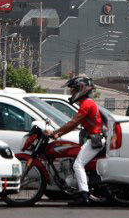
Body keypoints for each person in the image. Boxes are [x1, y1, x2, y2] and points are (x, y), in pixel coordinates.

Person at [46, 75, 103, 206]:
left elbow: (72, 123)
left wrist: (55, 133)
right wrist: (58, 133)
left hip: (95, 139)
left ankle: (84, 195)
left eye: (73, 89)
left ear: (81, 89)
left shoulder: (87, 104)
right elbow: (74, 124)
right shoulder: (86, 103)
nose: (71, 92)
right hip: (93, 138)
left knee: (78, 165)